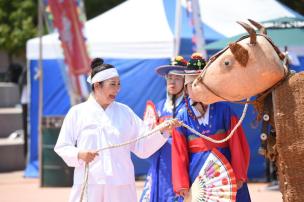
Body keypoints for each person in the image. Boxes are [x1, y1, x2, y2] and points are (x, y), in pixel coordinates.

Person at [54, 58, 180, 202]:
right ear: (97, 86)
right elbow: (62, 146)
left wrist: (162, 131)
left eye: (118, 84)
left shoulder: (125, 112)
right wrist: (79, 154)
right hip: (90, 182)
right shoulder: (77, 112)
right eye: (112, 84)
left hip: (121, 184)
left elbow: (142, 145)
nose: (117, 89)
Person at [171, 53, 251, 201]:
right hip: (197, 174)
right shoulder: (182, 117)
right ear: (186, 89)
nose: (197, 90)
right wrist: (181, 183)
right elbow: (178, 151)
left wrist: (239, 174)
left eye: (201, 85)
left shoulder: (224, 109)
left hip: (226, 171)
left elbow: (237, 143)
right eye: (192, 85)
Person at [140, 56, 187, 202]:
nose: (172, 81)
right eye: (169, 77)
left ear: (186, 81)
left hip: (181, 167)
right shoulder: (158, 107)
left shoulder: (190, 107)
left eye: (178, 78)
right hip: (159, 166)